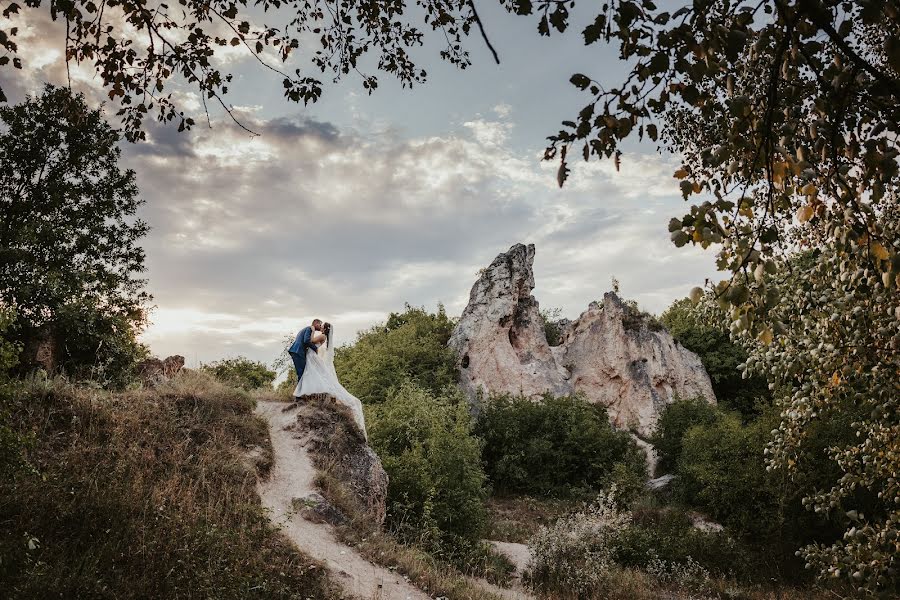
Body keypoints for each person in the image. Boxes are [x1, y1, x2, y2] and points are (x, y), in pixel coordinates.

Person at [291, 321, 367, 439]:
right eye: (319, 325)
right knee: (310, 375)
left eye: (322, 326)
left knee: (309, 375)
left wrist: (311, 331)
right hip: (311, 355)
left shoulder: (322, 336)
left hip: (312, 355)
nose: (320, 327)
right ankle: (305, 394)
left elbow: (310, 341)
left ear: (325, 329)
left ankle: (304, 395)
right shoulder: (323, 336)